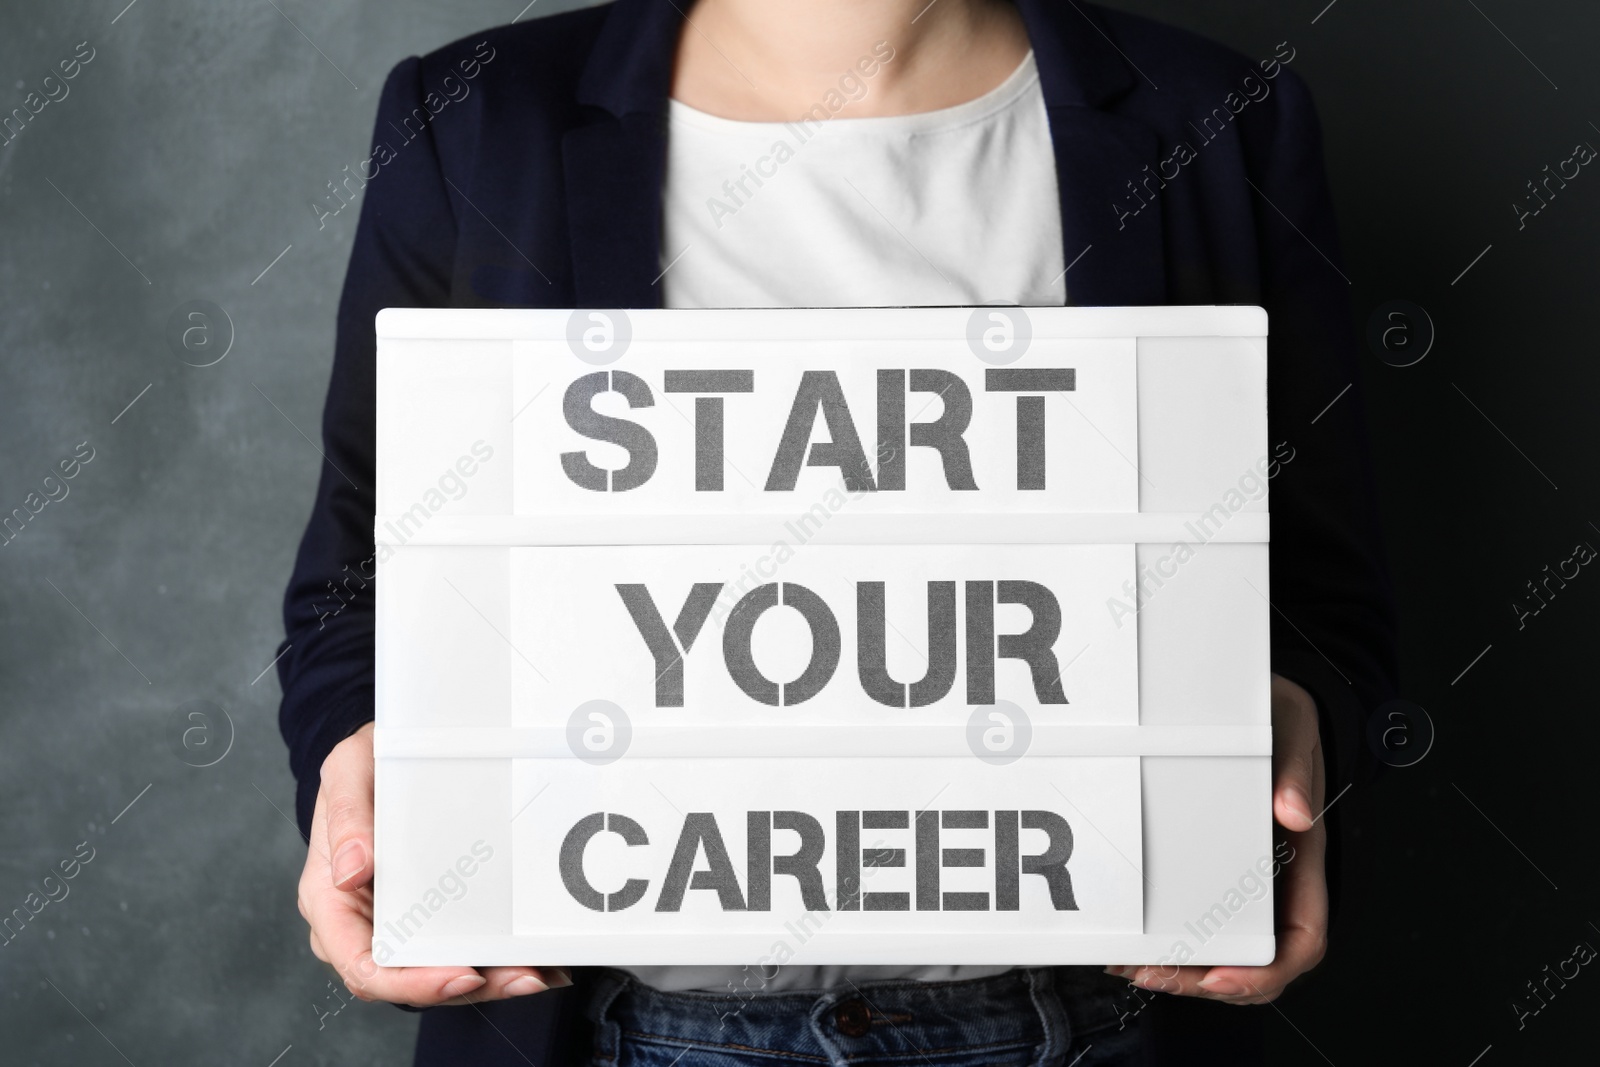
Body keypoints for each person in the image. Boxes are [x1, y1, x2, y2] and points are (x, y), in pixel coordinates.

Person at [277, 1, 1398, 1064]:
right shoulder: (476, 121)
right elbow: (360, 582)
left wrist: (1298, 725)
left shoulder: (1221, 117)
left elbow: (1315, 593)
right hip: (621, 1019)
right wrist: (354, 776)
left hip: (1090, 1017)